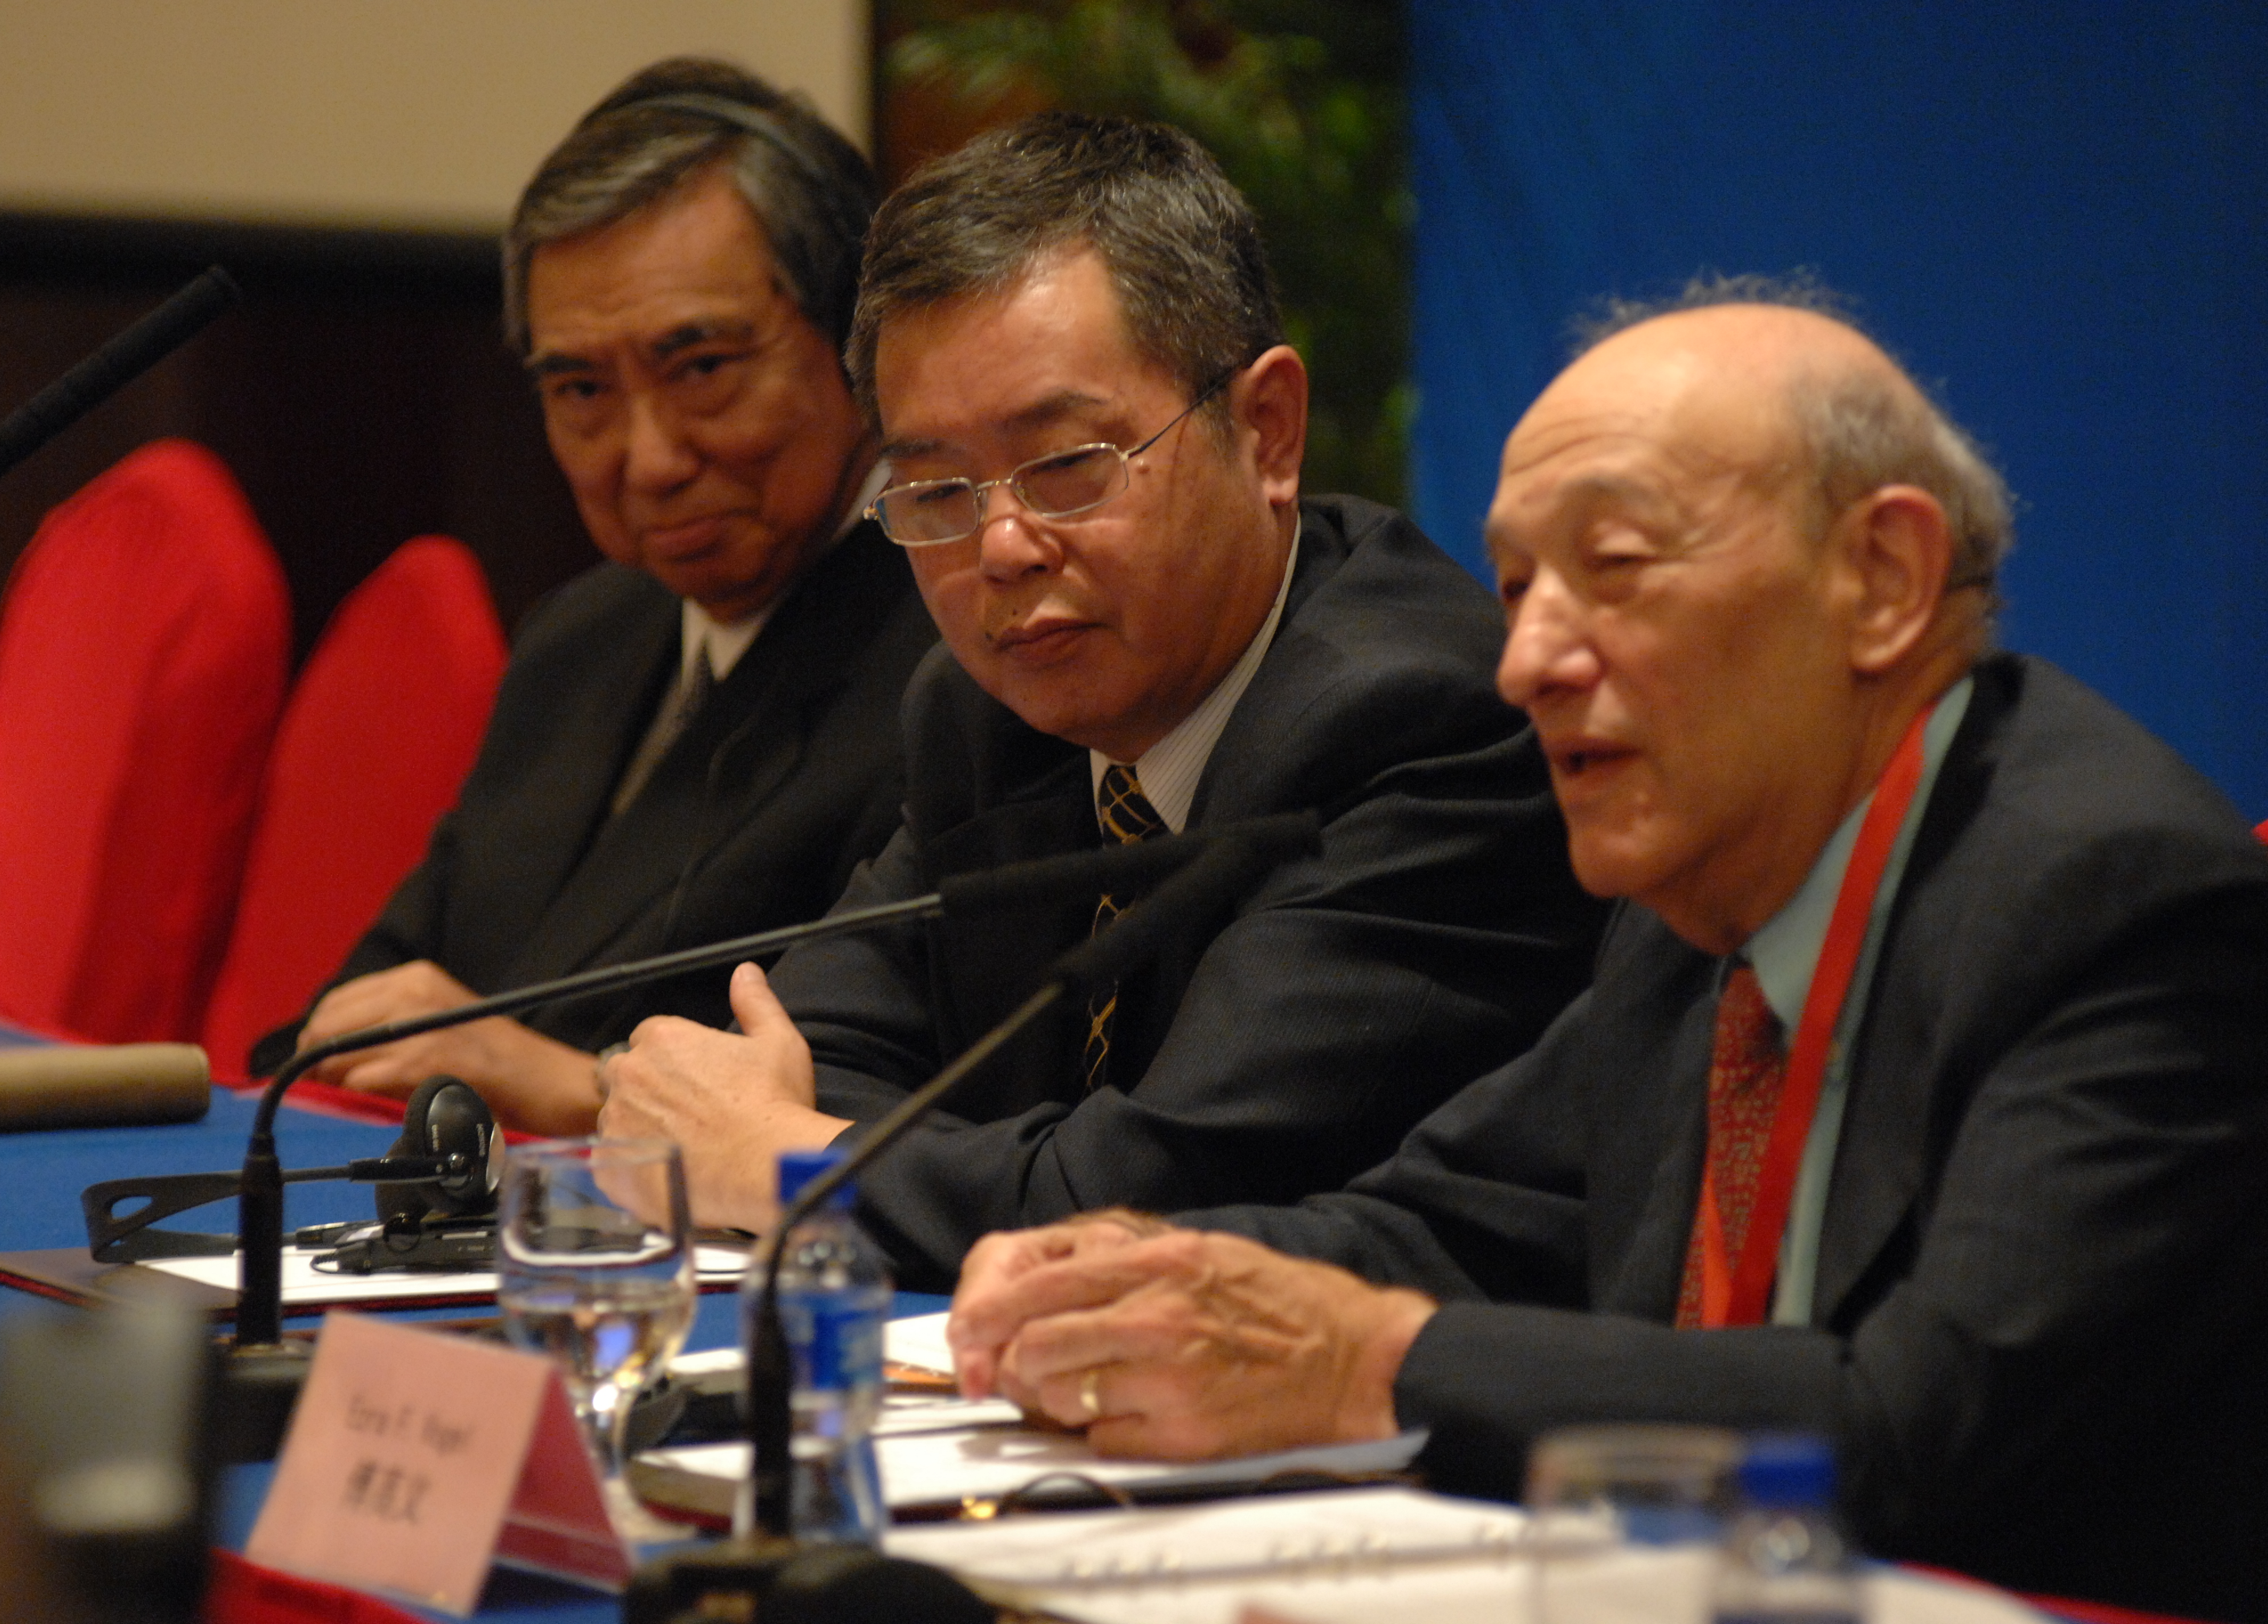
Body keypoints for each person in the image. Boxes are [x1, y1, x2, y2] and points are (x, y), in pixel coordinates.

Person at [942, 282, 2268, 1623]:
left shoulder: (2114, 905)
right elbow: (1446, 1222)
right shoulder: (1703, 892)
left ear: (1881, 577)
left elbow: (1911, 1434)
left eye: (1612, 568)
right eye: (1514, 589)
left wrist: (1351, 1360)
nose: (1526, 663)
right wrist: (1141, 1273)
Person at [599, 115, 1601, 1287]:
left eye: (1067, 465)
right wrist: (824, 1144)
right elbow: (809, 1058)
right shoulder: (984, 711)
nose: (1003, 548)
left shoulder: (1421, 720)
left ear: (1265, 431)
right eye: (934, 489)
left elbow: (1146, 1195)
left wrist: (785, 1167)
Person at [253, 59, 940, 1133]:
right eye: (581, 390)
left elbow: (893, 1103)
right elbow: (356, 1030)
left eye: (702, 367)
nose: (649, 458)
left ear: (860, 342)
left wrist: (574, 1088)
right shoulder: (583, 635)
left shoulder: (961, 654)